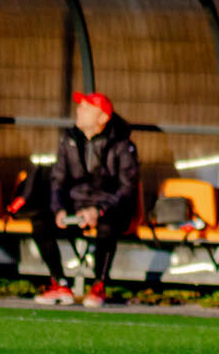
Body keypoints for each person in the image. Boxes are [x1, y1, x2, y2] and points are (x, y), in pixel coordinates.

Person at [32, 92, 139, 308]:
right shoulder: (69, 139)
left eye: (86, 108)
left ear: (102, 118)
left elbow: (127, 189)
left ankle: (99, 285)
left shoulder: (121, 144)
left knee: (108, 226)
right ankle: (60, 283)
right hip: (76, 206)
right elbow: (57, 180)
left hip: (109, 209)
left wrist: (99, 210)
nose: (79, 110)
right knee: (41, 221)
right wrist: (59, 209)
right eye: (80, 106)